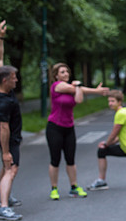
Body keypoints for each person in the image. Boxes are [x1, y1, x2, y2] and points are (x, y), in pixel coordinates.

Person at [46, 62, 110, 200]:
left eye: (67, 72)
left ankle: (74, 187)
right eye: (62, 72)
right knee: (55, 159)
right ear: (56, 75)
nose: (66, 74)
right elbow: (72, 89)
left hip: (69, 128)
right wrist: (92, 90)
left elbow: (79, 99)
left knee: (71, 159)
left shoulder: (74, 88)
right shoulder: (57, 86)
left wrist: (84, 88)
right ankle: (54, 188)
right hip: (54, 127)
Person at [0, 20, 23, 221]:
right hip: (9, 139)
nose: (16, 80)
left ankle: (6, 197)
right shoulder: (4, 102)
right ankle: (4, 207)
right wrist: (5, 151)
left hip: (10, 139)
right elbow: (4, 128)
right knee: (11, 169)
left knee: (7, 170)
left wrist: (0, 36)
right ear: (5, 80)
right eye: (14, 78)